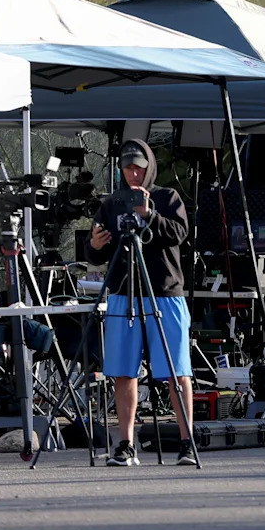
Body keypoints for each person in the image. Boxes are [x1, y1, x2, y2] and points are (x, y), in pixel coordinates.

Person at [86, 139, 195, 467]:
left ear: (149, 168)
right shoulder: (111, 204)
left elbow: (179, 233)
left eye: (139, 168)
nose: (133, 174)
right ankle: (125, 445)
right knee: (122, 372)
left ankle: (187, 444)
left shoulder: (167, 197)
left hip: (165, 294)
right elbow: (95, 255)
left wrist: (150, 215)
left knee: (176, 371)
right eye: (128, 168)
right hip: (124, 294)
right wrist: (94, 245)